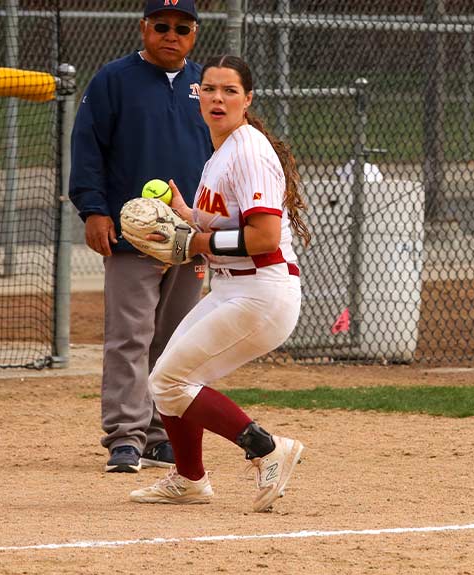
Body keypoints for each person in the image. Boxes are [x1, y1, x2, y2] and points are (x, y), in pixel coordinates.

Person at [128, 54, 312, 512]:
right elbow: (219, 225)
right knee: (166, 380)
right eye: (209, 89)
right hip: (233, 289)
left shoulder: (248, 150)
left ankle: (267, 447)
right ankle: (190, 480)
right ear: (197, 96)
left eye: (230, 90)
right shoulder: (222, 153)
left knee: (171, 380)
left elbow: (264, 236)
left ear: (247, 99)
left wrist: (195, 242)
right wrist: (186, 218)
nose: (217, 97)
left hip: (261, 294)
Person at [68, 0, 212, 473]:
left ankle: (159, 433)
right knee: (130, 336)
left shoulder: (205, 86)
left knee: (175, 339)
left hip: (190, 237)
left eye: (182, 28)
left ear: (194, 34)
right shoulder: (114, 78)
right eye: (162, 26)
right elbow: (88, 146)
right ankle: (125, 438)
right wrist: (93, 210)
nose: (172, 35)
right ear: (144, 28)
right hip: (133, 233)